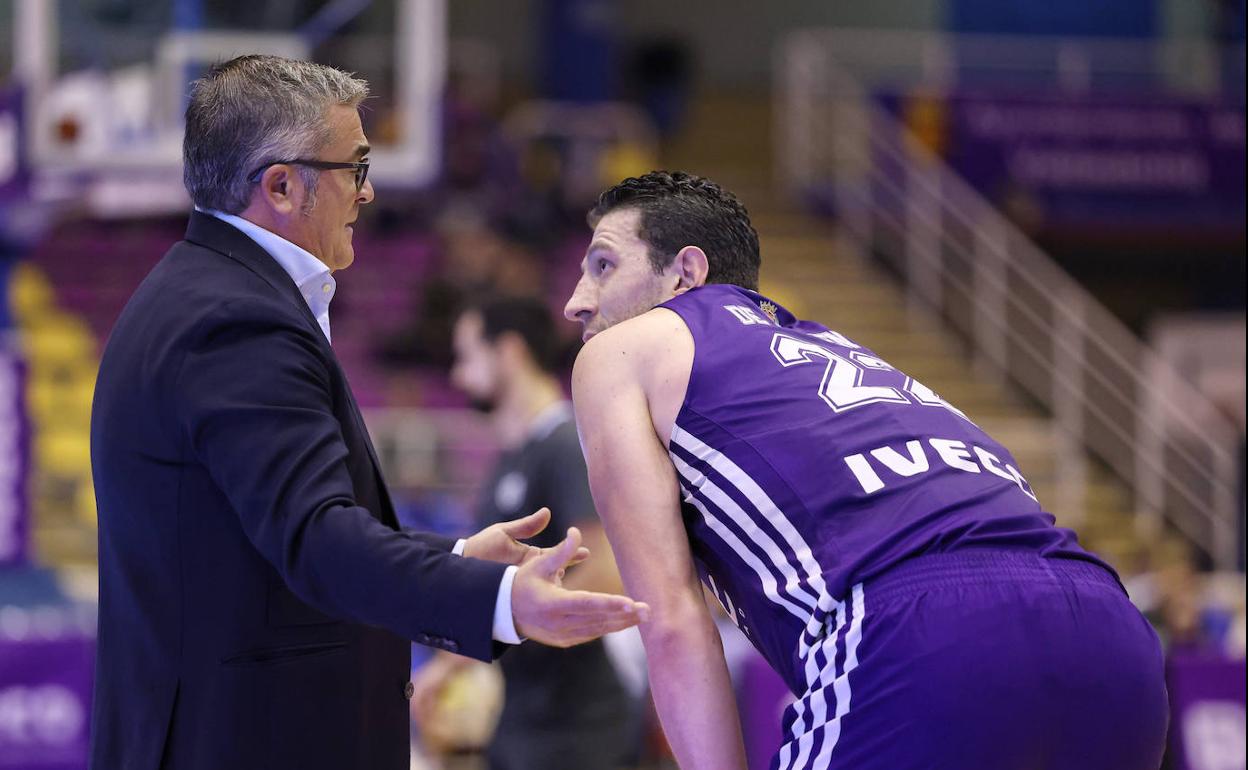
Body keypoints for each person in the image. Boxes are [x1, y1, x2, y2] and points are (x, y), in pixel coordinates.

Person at [88, 55, 646, 770]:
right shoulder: (234, 320)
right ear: (283, 186)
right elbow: (316, 539)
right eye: (355, 167)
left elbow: (275, 539)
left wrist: (457, 556)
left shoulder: (205, 294)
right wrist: (499, 598)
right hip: (239, 740)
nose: (369, 190)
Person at [564, 170, 1168, 770]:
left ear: (685, 274)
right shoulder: (842, 355)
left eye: (603, 266)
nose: (576, 302)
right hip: (1111, 632)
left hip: (922, 630)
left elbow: (669, 621)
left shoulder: (622, 350)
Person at [412, 295, 636, 769]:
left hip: (576, 727)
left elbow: (607, 572)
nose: (457, 376)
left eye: (468, 355)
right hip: (523, 718)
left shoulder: (564, 446)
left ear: (509, 352)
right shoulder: (510, 458)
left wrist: (484, 638)